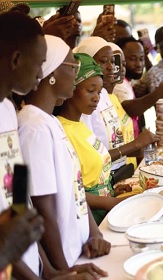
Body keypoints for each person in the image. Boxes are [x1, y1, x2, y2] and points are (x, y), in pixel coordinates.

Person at [18, 35, 111, 274]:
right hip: (65, 261)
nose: (77, 74)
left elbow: (74, 187)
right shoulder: (33, 126)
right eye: (73, 67)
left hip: (79, 252)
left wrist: (95, 233)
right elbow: (41, 207)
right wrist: (62, 270)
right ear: (51, 73)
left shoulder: (49, 121)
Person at [57, 53, 135, 225]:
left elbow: (93, 174)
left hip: (104, 211)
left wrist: (110, 190)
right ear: (71, 88)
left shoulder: (81, 126)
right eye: (90, 91)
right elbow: (70, 190)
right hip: (89, 219)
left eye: (99, 92)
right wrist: (109, 202)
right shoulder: (61, 130)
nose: (96, 98)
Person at [0, 11, 46, 279]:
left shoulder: (9, 110)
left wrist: (45, 273)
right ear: (16, 59)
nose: (41, 72)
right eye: (39, 63)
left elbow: (19, 209)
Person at [75, 36, 161, 176]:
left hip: (119, 173)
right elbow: (94, 157)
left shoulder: (105, 95)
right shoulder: (86, 103)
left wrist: (144, 146)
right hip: (102, 179)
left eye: (113, 61)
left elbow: (115, 141)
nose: (112, 67)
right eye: (104, 61)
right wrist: (137, 144)